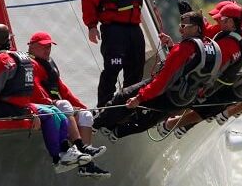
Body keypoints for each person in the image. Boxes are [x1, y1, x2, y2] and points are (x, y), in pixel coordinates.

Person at [82, 0, 188, 107]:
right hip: (113, 31)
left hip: (134, 31)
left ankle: (126, 107)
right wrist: (92, 26)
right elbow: (88, 3)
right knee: (112, 69)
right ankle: (103, 107)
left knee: (135, 71)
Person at [0, 24, 92, 173]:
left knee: (57, 113)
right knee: (53, 112)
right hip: (15, 106)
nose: (48, 50)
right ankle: (60, 156)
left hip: (12, 106)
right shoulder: (19, 58)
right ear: (10, 39)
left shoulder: (1, 59)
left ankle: (64, 153)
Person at [92, 11, 219, 139]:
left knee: (123, 96)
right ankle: (116, 133)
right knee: (145, 119)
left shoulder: (184, 49)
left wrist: (139, 98)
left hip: (167, 92)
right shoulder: (208, 47)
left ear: (196, 28)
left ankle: (94, 125)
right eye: (180, 25)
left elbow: (162, 81)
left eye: (183, 26)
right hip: (182, 100)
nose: (180, 30)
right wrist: (171, 46)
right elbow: (191, 64)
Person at [159, 0, 242, 138]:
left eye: (219, 18)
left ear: (229, 21)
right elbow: (206, 32)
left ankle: (171, 123)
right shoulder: (241, 31)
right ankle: (181, 124)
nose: (216, 20)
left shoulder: (226, 38)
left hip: (223, 86)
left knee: (196, 97)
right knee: (207, 105)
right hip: (239, 86)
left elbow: (204, 59)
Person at [27, 31, 109, 177]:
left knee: (86, 115)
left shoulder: (48, 64)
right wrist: (51, 102)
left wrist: (83, 107)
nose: (48, 50)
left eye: (49, 47)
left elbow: (63, 89)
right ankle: (80, 147)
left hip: (56, 104)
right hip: (43, 106)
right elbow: (35, 89)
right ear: (32, 47)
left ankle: (86, 165)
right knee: (65, 105)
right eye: (43, 46)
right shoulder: (30, 63)